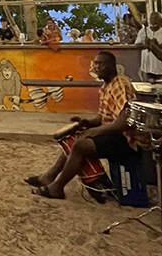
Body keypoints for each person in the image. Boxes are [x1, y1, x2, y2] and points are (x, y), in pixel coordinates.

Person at [26, 51, 148, 199]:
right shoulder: (106, 86)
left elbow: (125, 122)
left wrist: (95, 131)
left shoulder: (120, 84)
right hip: (116, 134)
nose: (95, 67)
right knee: (72, 140)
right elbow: (104, 117)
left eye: (99, 64)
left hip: (128, 140)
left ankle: (57, 188)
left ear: (110, 66)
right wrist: (87, 122)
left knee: (80, 146)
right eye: (95, 63)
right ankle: (48, 177)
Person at [135, 12, 162, 82]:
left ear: (159, 20)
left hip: (161, 69)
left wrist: (156, 45)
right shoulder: (143, 31)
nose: (153, 20)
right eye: (151, 18)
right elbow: (137, 45)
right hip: (146, 68)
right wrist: (144, 44)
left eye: (155, 18)